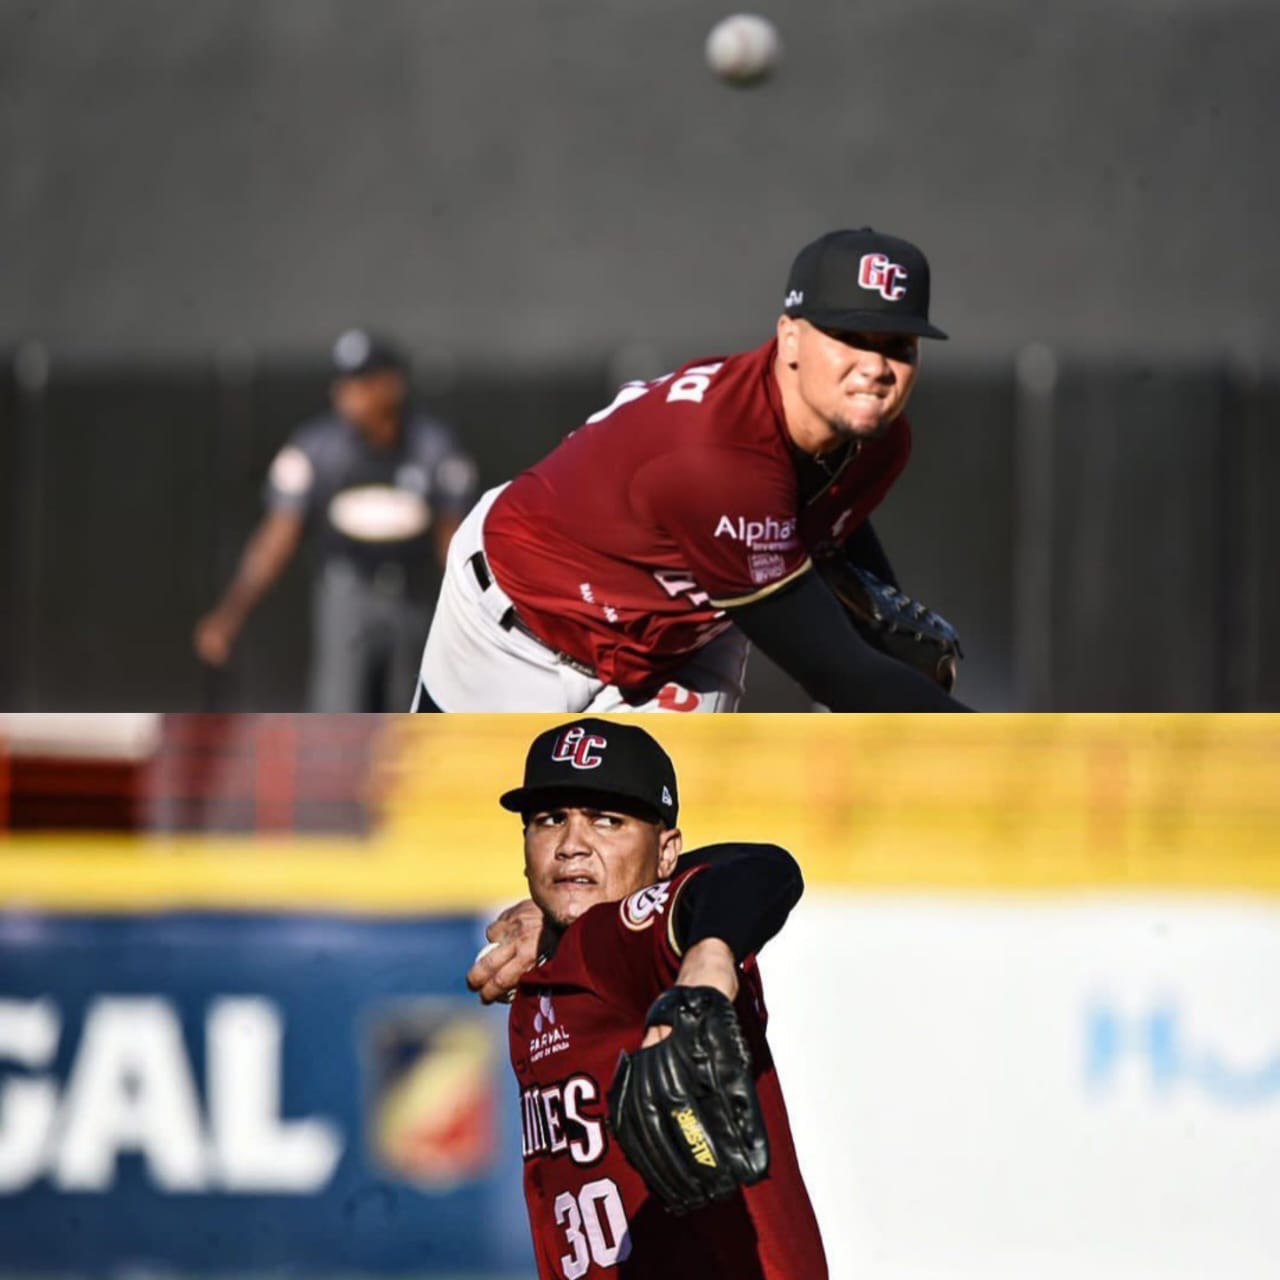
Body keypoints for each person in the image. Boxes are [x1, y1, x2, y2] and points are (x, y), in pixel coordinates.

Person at [415, 228, 967, 712]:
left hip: (680, 642)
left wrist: (880, 652)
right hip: (518, 624)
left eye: (897, 345)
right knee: (459, 820)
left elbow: (831, 550)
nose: (874, 367)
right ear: (790, 337)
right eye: (850, 338)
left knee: (656, 820)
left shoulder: (881, 442)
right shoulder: (718, 457)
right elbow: (835, 673)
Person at [469, 717, 828, 1278]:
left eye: (606, 821)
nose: (571, 846)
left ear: (667, 856)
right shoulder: (544, 970)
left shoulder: (617, 945)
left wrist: (708, 961)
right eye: (548, 820)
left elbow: (763, 869)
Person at [195, 330, 477, 711]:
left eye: (362, 381)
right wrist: (231, 612)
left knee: (412, 716)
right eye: (343, 382)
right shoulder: (316, 449)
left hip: (416, 597)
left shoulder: (435, 449)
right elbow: (277, 535)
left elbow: (453, 543)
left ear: (391, 385)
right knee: (339, 717)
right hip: (346, 593)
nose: (349, 393)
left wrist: (474, 618)